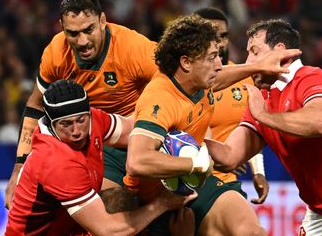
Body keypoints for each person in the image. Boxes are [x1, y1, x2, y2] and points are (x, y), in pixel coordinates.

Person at [5, 0, 302, 210]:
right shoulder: (56, 52)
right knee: (98, 213)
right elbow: (35, 105)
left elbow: (198, 74)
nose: (82, 41)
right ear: (61, 28)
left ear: (104, 22)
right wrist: (19, 165)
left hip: (138, 135)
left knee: (165, 214)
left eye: (89, 30)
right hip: (89, 142)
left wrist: (255, 68)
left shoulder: (134, 49)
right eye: (73, 33)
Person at [205, 19, 322, 236]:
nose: (249, 60)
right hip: (318, 213)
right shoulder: (262, 99)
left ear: (280, 51)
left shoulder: (310, 77)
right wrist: (189, 140)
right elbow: (229, 157)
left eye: (255, 51)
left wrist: (264, 116)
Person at [124, 14, 299, 236]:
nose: (219, 65)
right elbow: (137, 161)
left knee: (251, 232)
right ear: (186, 62)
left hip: (196, 184)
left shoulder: (198, 81)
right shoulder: (160, 98)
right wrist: (196, 163)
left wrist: (259, 66)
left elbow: (221, 77)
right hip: (154, 195)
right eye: (212, 58)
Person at [5, 80, 197, 235]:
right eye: (66, 124)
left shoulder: (94, 119)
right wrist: (162, 203)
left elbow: (133, 130)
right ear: (52, 124)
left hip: (70, 228)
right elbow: (108, 230)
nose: (77, 131)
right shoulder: (55, 161)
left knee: (124, 204)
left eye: (81, 120)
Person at [195, 7, 269, 204]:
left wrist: (258, 172)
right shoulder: (185, 81)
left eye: (224, 36)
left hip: (227, 183)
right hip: (190, 180)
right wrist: (218, 159)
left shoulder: (246, 79)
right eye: (212, 36)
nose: (219, 42)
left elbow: (250, 128)